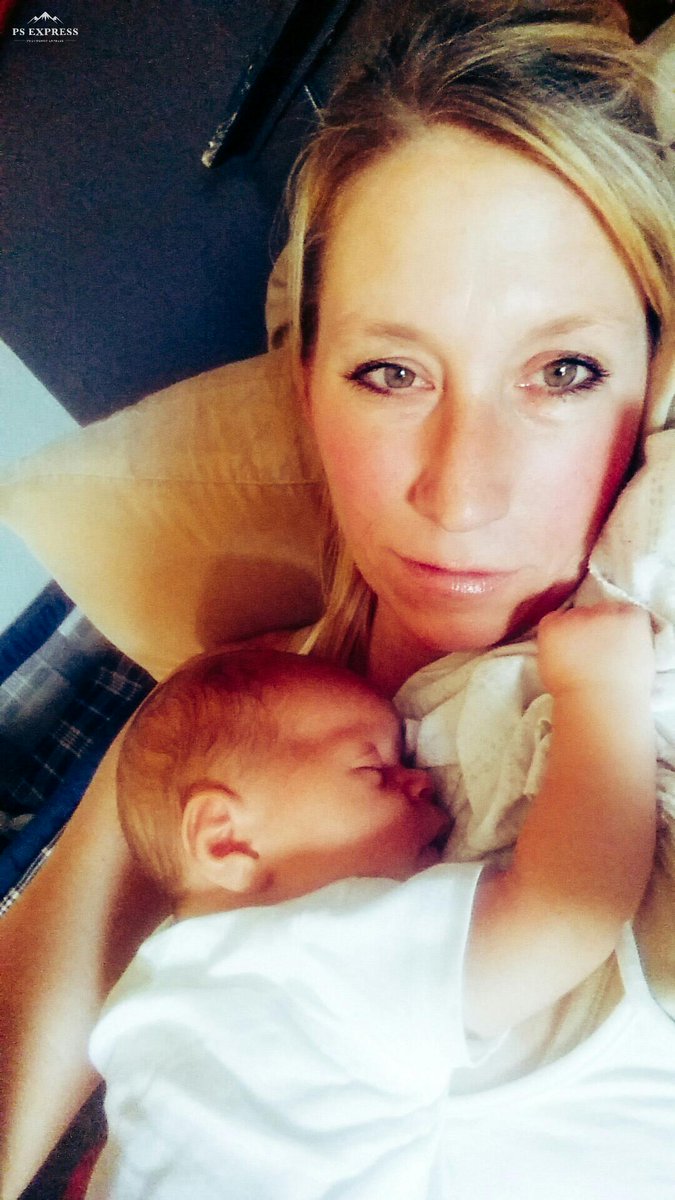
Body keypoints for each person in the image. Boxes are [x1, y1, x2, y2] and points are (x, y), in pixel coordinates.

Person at [1, 2, 674, 1196]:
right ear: (306, 383)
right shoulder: (226, 725)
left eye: (564, 372)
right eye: (391, 371)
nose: (459, 495)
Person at [88, 622, 654, 1199]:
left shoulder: (157, 984)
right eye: (373, 770)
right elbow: (565, 917)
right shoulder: (307, 948)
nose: (421, 782)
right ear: (225, 838)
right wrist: (598, 690)